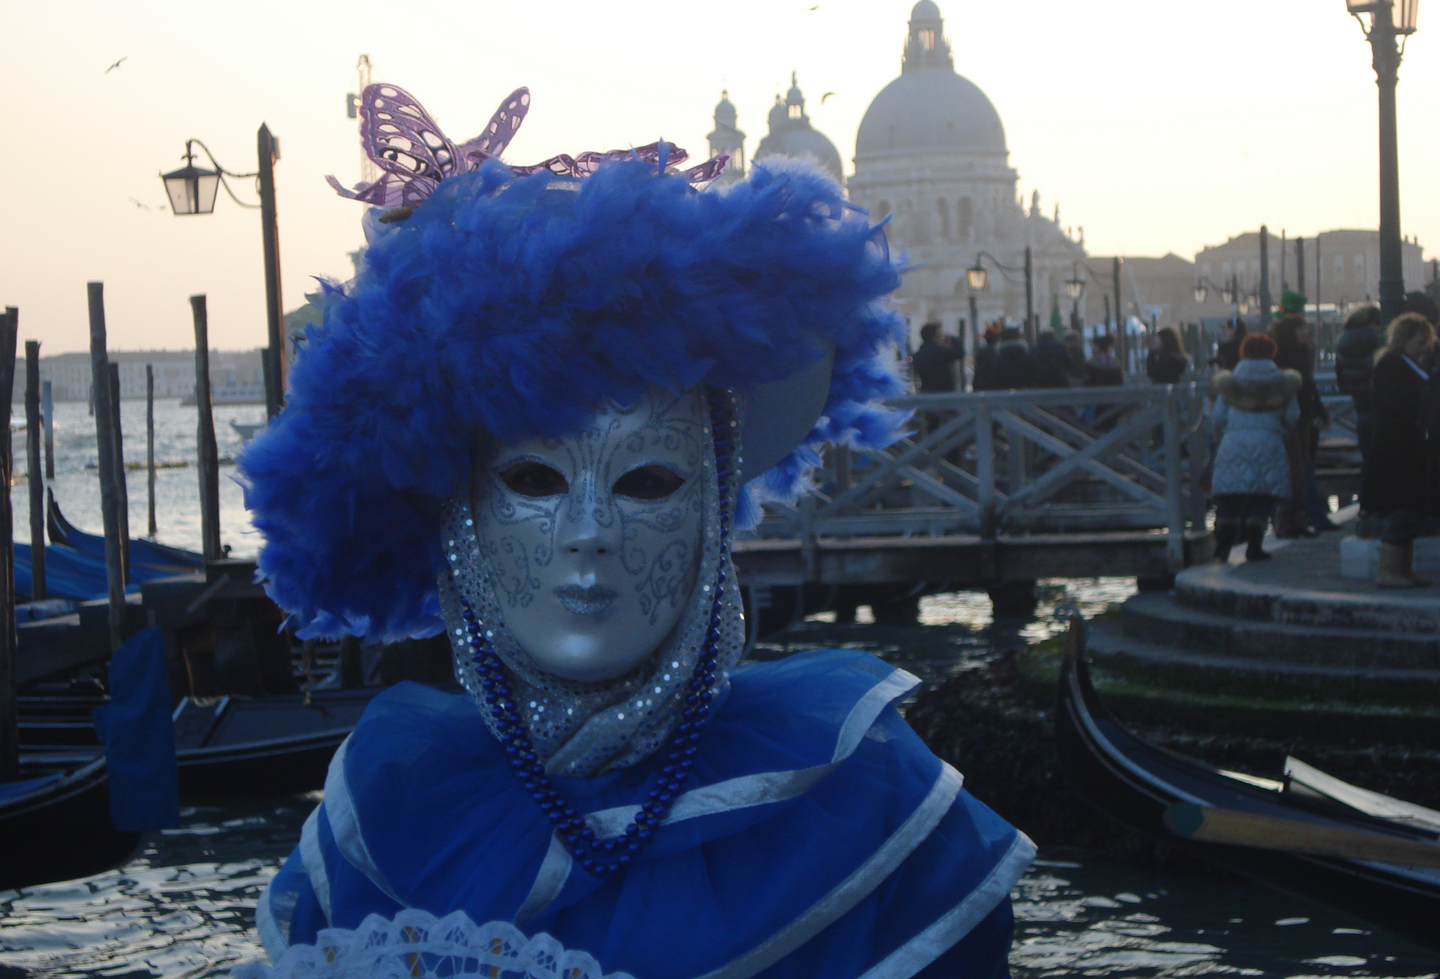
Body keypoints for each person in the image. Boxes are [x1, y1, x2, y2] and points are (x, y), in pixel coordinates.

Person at [235, 84, 1031, 978]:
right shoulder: (379, 820)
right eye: (534, 480)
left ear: (708, 506)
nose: (590, 534)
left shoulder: (878, 816)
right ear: (452, 510)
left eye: (646, 481)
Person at [1209, 334, 1301, 562]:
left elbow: (1218, 418)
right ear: (1273, 353)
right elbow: (1293, 416)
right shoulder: (1283, 383)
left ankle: (1222, 549)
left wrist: (1225, 435)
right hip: (1269, 441)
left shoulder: (1229, 384)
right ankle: (1254, 547)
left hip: (1234, 442)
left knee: (1230, 497)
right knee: (1263, 496)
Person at [1362, 312, 1437, 589]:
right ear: (1404, 340)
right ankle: (1389, 570)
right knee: (1403, 508)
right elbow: (1401, 404)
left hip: (1410, 448)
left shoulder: (1406, 364)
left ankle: (1403, 569)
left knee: (1412, 509)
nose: (1424, 348)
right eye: (1420, 342)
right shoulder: (1391, 367)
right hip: (1398, 450)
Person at [1269, 313, 1329, 536]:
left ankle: (1300, 520)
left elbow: (1309, 383)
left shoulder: (1304, 350)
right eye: (1301, 328)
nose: (1306, 332)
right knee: (1292, 468)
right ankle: (1285, 520)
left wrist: (1319, 408)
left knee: (1302, 466)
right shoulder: (1281, 353)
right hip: (1287, 414)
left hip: (1304, 413)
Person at [1334, 305, 1383, 535]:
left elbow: (1342, 383)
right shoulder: (1379, 340)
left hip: (1361, 409)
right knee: (1385, 459)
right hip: (1381, 408)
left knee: (1368, 460)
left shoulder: (1343, 344)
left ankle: (1366, 508)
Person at [911, 321, 964, 393]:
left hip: (926, 391)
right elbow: (959, 353)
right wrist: (954, 339)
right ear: (934, 335)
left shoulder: (917, 356)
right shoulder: (941, 352)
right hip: (945, 391)